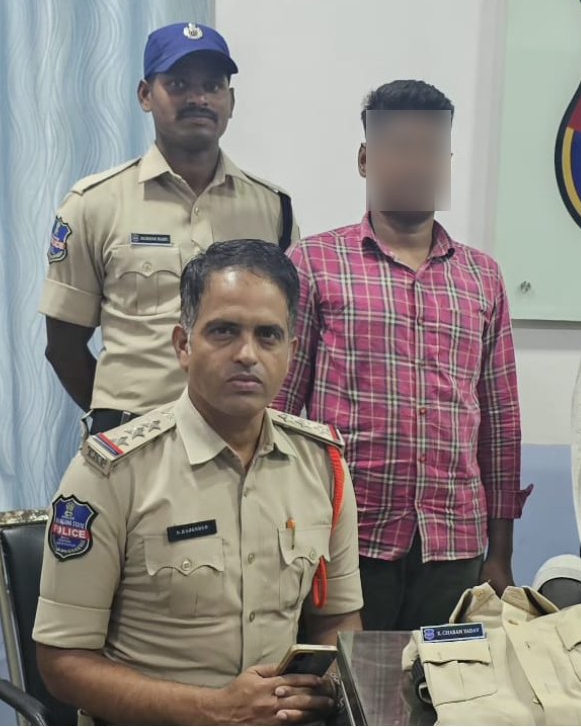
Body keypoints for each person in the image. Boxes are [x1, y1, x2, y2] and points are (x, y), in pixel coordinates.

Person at [34, 240, 360, 725]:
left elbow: (339, 620)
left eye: (268, 336)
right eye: (224, 331)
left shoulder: (323, 465)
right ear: (183, 345)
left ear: (291, 352)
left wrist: (322, 690)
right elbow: (62, 663)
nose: (247, 354)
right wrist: (216, 711)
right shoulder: (110, 472)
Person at [273, 80, 528, 631]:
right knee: (344, 679)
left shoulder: (482, 276)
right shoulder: (314, 263)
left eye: (430, 149)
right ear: (366, 159)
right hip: (346, 534)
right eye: (399, 148)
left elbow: (501, 421)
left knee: (447, 678)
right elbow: (281, 410)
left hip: (454, 540)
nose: (416, 163)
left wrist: (501, 552)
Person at [41, 22, 300, 434]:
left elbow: (281, 331)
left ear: (230, 101)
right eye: (179, 84)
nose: (198, 98)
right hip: (131, 436)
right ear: (146, 95)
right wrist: (119, 422)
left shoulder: (272, 208)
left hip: (239, 438)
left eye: (212, 86)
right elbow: (63, 346)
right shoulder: (94, 203)